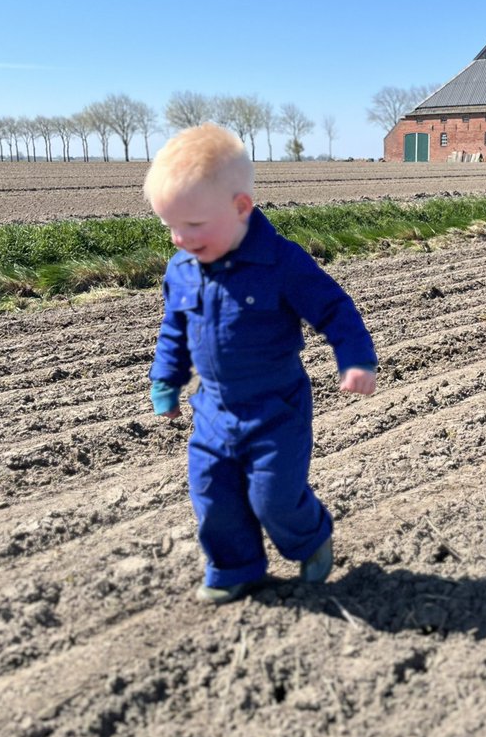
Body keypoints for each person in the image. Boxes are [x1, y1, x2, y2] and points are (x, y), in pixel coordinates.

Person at [144, 124, 377, 605]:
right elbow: (174, 330)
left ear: (240, 207)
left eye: (193, 225)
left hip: (276, 408)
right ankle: (235, 569)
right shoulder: (182, 269)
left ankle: (310, 537)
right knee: (212, 495)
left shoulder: (281, 262)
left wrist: (354, 358)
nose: (180, 239)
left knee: (272, 497)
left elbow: (333, 309)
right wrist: (165, 379)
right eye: (170, 226)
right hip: (212, 409)